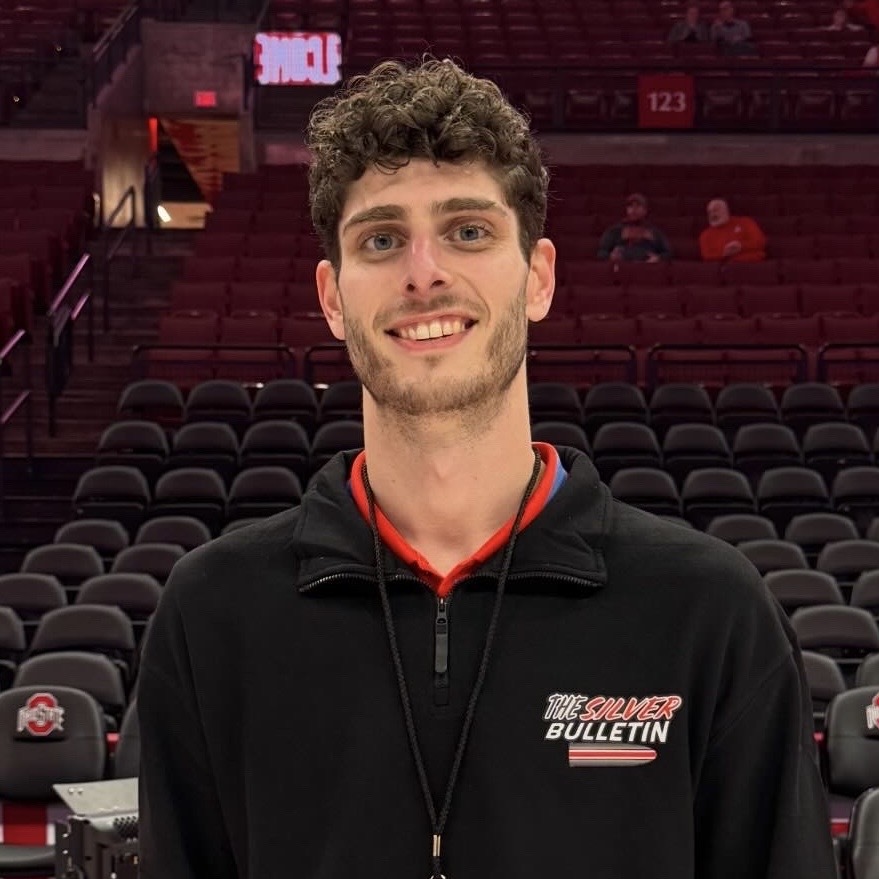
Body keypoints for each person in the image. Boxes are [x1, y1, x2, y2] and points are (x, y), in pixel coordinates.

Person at [138, 58, 837, 879]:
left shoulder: (708, 610)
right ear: (331, 298)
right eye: (381, 239)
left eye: (467, 231)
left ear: (537, 278)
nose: (423, 271)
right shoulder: (214, 613)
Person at [596, 193, 672, 262]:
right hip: (622, 267)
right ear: (626, 210)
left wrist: (658, 258)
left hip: (647, 268)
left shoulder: (654, 232)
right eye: (630, 206)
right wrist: (611, 256)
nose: (634, 209)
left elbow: (668, 253)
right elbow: (601, 252)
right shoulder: (614, 231)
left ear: (645, 210)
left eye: (638, 206)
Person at [699, 197, 767, 262]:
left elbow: (760, 241)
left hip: (751, 264)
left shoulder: (745, 222)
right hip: (725, 266)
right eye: (709, 212)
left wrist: (741, 246)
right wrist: (724, 253)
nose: (712, 215)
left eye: (715, 210)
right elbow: (707, 255)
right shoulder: (705, 234)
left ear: (726, 210)